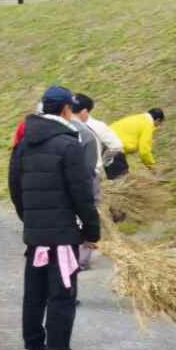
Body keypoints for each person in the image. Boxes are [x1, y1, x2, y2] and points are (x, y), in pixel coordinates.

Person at [9, 86, 100, 350]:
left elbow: (15, 187)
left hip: (36, 234)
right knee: (62, 295)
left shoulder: (24, 143)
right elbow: (82, 194)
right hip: (61, 236)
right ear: (65, 110)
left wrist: (30, 219)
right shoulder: (68, 145)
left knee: (34, 293)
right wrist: (91, 230)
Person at [69, 95, 106, 270]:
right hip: (89, 177)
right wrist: (105, 162)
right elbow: (116, 145)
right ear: (85, 111)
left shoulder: (58, 128)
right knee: (88, 213)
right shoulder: (95, 128)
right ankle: (82, 259)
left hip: (67, 179)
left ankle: (69, 255)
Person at [108, 108, 165, 178]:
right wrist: (152, 166)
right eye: (159, 124)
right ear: (158, 120)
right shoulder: (148, 124)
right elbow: (144, 151)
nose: (158, 126)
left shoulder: (139, 118)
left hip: (106, 143)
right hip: (113, 147)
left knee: (117, 176)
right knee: (122, 177)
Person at [77, 95, 124, 177]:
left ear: (84, 111)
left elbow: (116, 146)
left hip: (90, 174)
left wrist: (105, 160)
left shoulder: (97, 126)